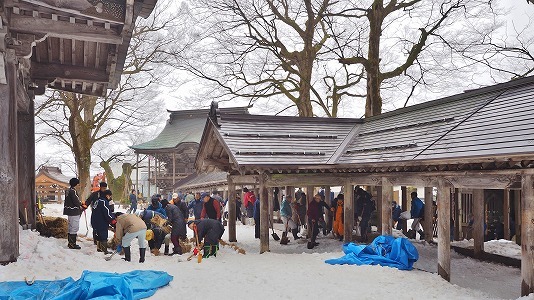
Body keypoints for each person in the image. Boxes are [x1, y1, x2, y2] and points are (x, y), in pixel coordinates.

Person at [91, 189, 116, 254]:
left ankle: (99, 249)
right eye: (110, 196)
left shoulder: (97, 200)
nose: (110, 198)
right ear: (107, 195)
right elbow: (107, 212)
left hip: (95, 220)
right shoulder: (104, 202)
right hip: (101, 221)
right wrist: (112, 220)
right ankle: (104, 250)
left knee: (98, 235)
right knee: (103, 235)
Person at [63, 178, 83, 249]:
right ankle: (72, 244)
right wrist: (81, 204)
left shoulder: (68, 191)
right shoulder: (73, 191)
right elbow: (76, 201)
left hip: (69, 211)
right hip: (74, 211)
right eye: (78, 183)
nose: (78, 185)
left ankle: (70, 243)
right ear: (76, 184)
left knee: (70, 227)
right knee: (74, 227)